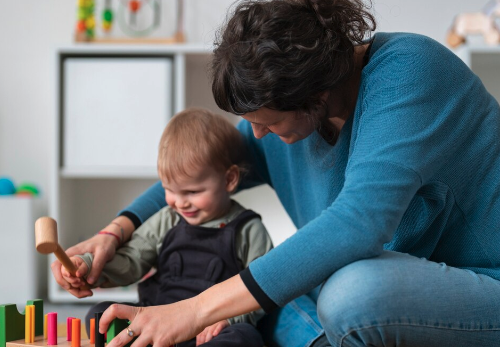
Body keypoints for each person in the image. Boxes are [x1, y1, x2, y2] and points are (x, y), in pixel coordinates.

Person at [52, 0, 500, 346]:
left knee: (352, 292)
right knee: (272, 300)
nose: (256, 134)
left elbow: (359, 222)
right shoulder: (290, 114)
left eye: (268, 122)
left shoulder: (411, 73)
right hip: (396, 290)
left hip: (487, 285)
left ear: (316, 91)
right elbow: (205, 166)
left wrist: (193, 311)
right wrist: (114, 232)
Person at [57, 108, 273, 347]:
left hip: (209, 331)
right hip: (156, 320)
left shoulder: (249, 228)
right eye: (169, 190)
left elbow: (261, 291)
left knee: (245, 337)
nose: (180, 202)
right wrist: (89, 265)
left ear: (229, 179)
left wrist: (231, 319)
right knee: (101, 314)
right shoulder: (167, 218)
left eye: (193, 191)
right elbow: (131, 260)